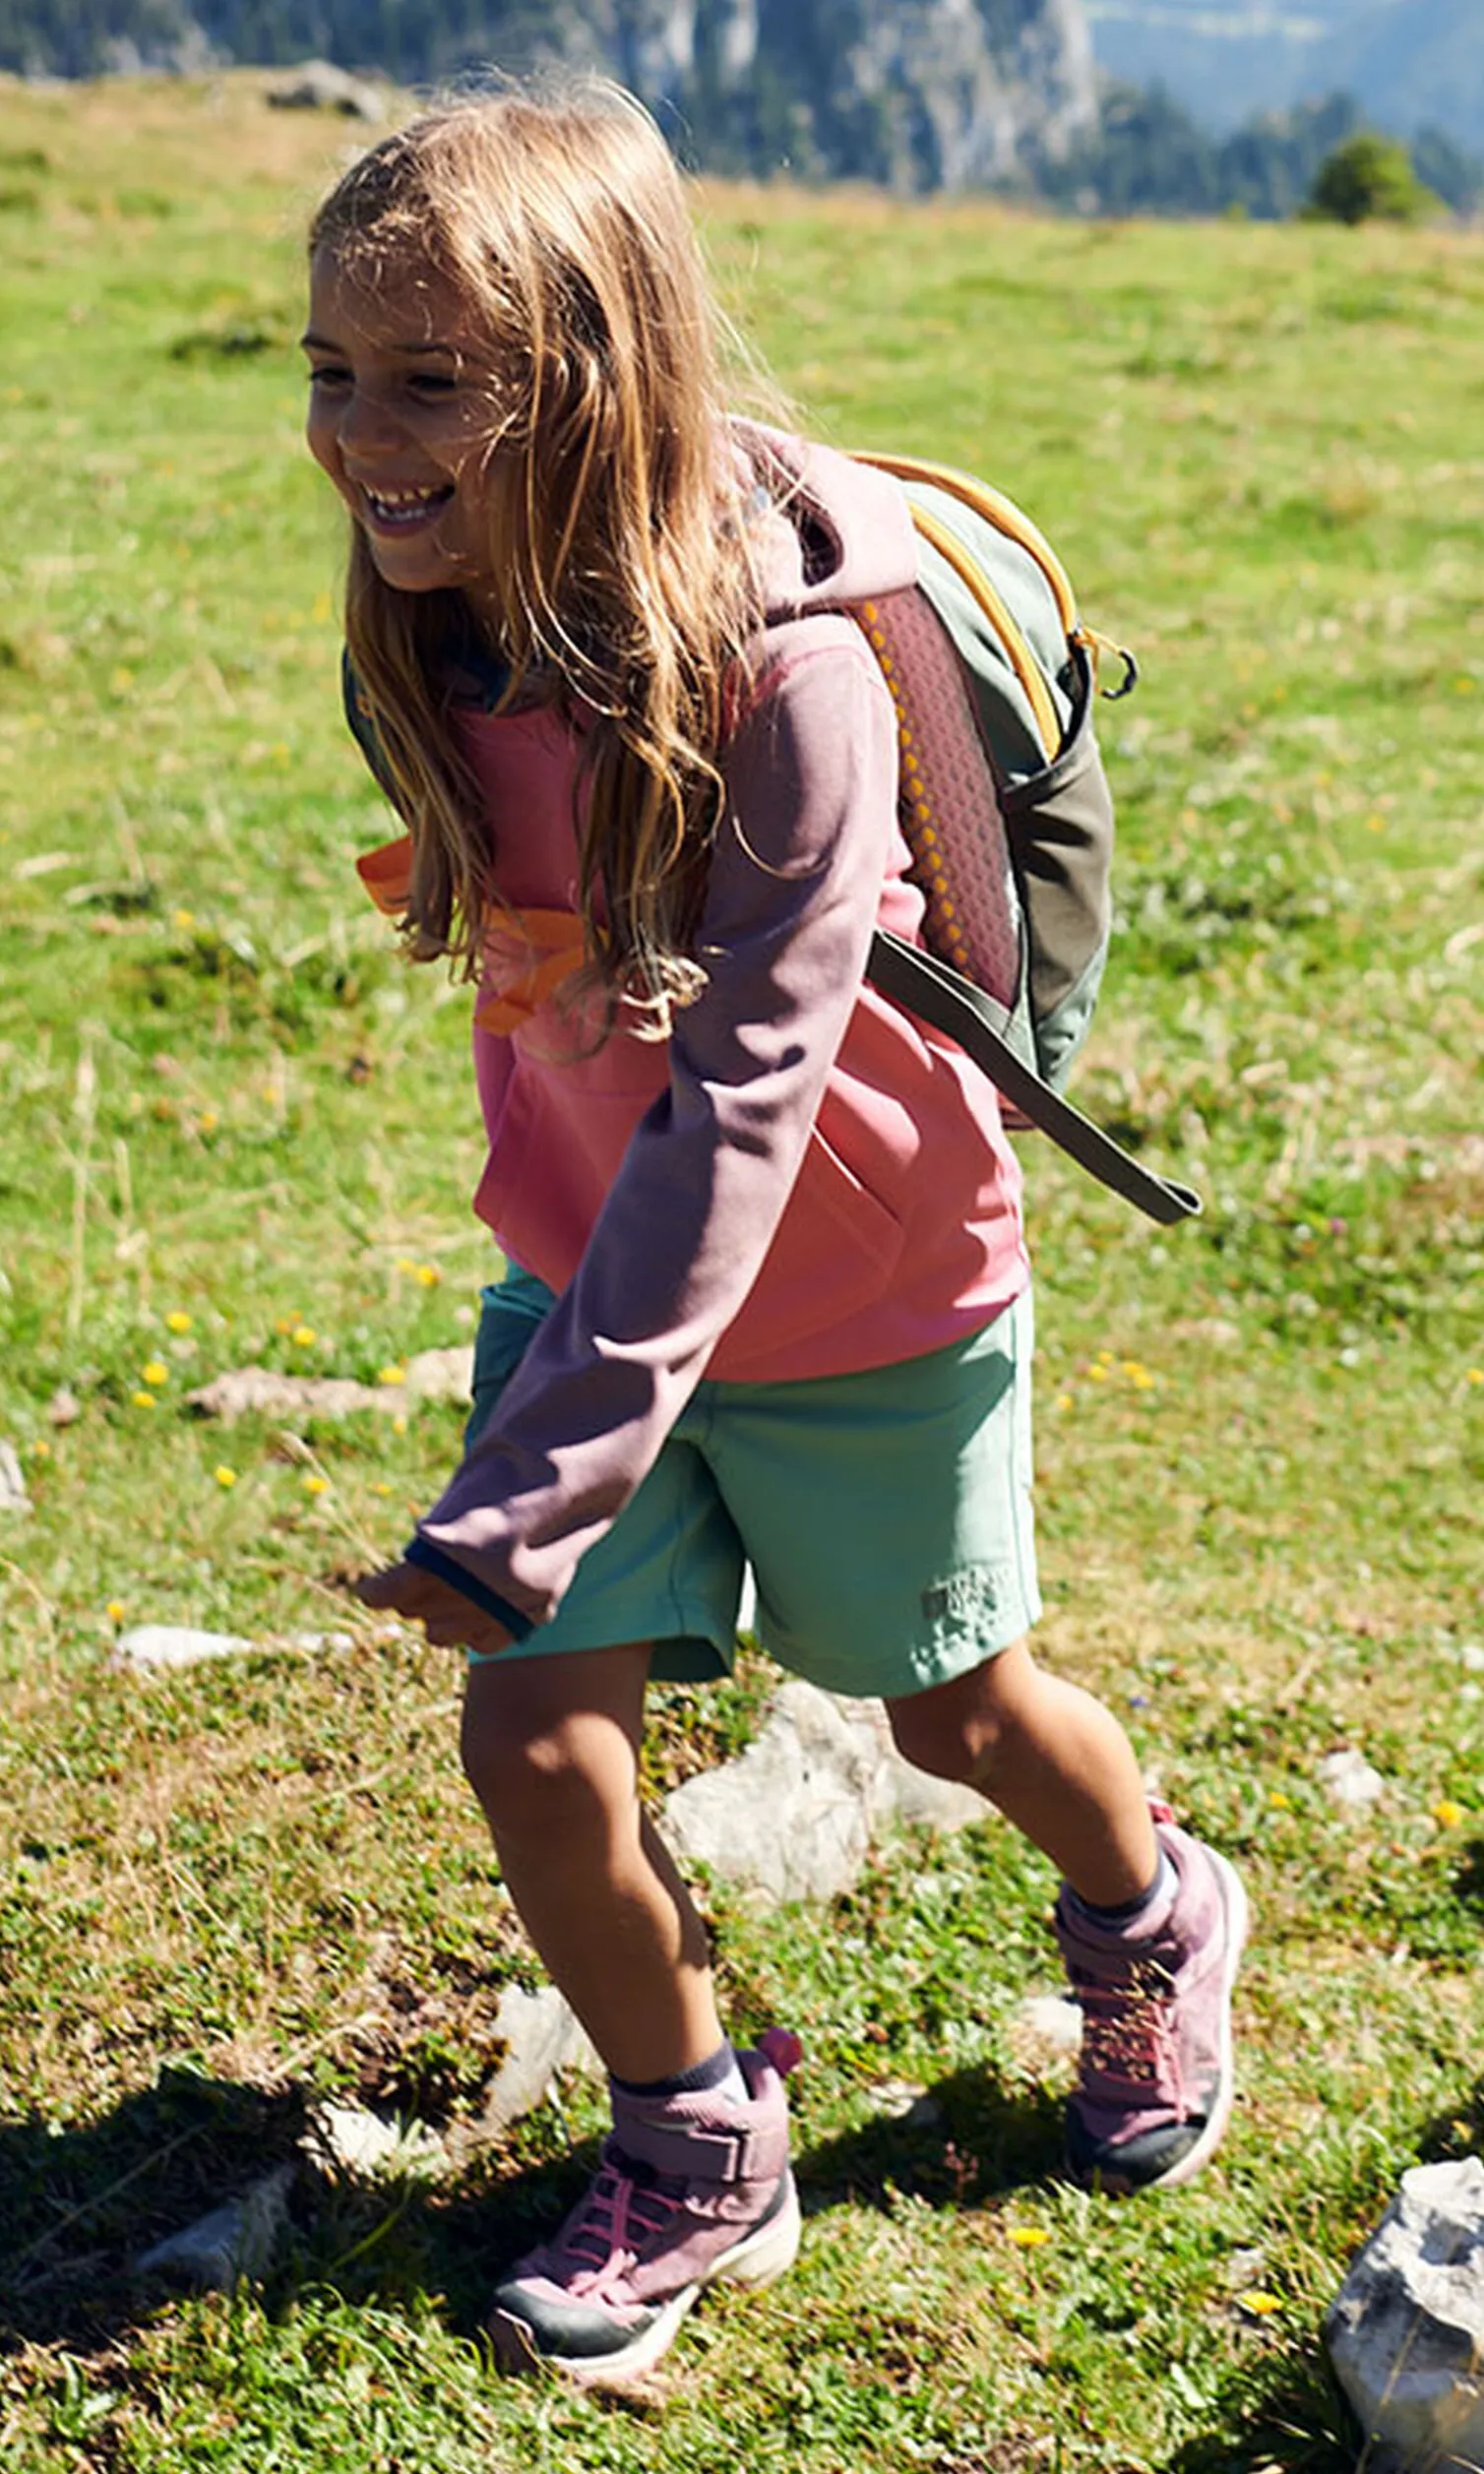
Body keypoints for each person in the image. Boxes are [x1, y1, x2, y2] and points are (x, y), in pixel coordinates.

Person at [303, 80, 1249, 2386]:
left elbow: (747, 1103)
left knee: (953, 1711)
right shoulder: (445, 615)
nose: (358, 436)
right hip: (587, 1275)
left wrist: (531, 1489)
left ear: (589, 378)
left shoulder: (795, 668)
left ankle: (1152, 1908)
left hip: (866, 1293)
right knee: (535, 1746)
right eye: (329, 370)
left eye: (427, 380)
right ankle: (698, 2134)